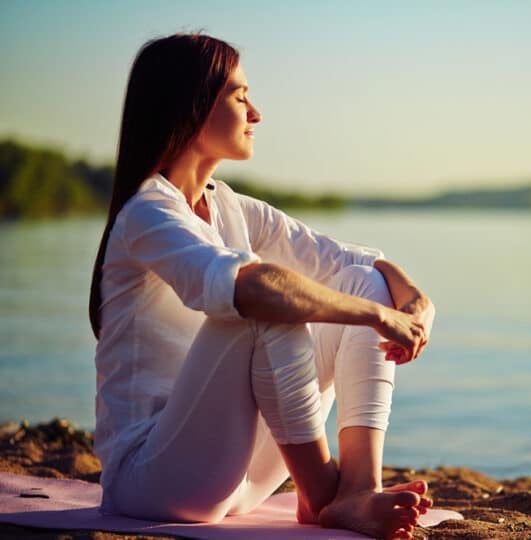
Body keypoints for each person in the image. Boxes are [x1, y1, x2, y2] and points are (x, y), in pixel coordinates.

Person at [88, 33, 435, 540]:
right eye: (239, 95)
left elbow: (353, 261)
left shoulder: (229, 205)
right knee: (265, 301)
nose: (256, 112)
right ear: (191, 105)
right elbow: (253, 287)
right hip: (152, 479)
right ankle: (321, 496)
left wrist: (415, 302)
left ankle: (357, 488)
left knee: (360, 283)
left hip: (243, 477)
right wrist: (377, 316)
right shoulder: (148, 212)